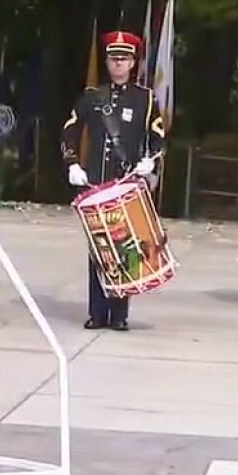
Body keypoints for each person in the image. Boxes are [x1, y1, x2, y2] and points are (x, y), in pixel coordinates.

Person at [60, 30, 164, 331]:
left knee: (125, 247)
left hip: (126, 182)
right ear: (107, 62)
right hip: (96, 182)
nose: (118, 64)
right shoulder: (92, 97)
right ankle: (98, 311)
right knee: (99, 248)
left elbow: (158, 136)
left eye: (124, 59)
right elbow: (69, 130)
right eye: (113, 58)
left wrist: (150, 160)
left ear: (133, 63)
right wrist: (72, 163)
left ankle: (119, 313)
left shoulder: (145, 98)